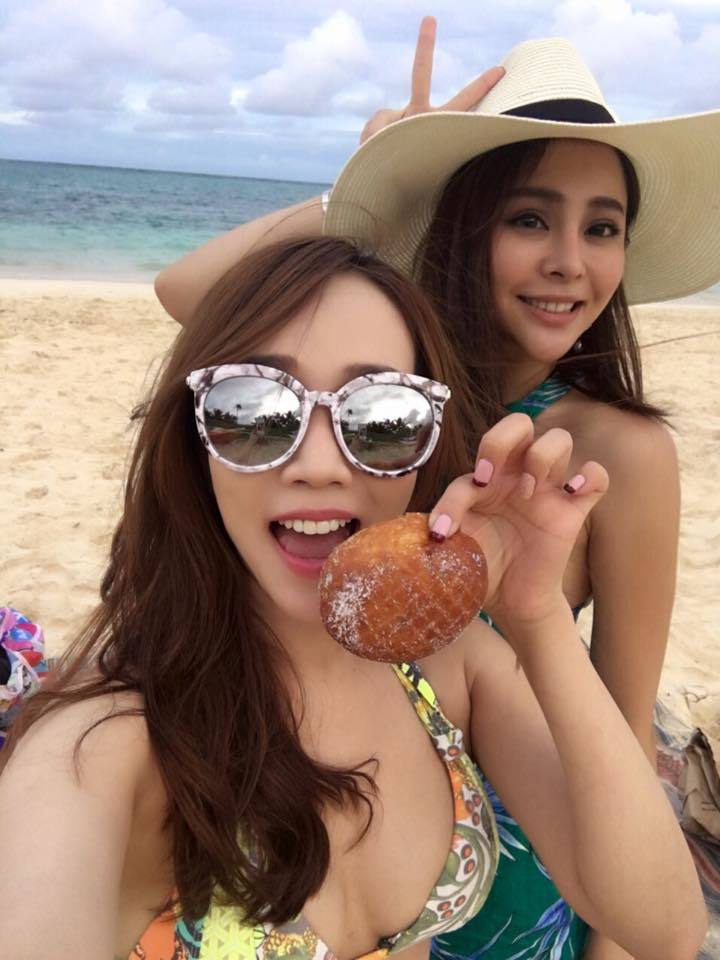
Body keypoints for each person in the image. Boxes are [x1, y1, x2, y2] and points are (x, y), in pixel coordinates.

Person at [153, 20, 720, 959]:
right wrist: (367, 189)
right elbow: (189, 294)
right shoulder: (384, 401)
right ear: (465, 226)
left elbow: (623, 715)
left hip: (534, 849)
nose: (569, 261)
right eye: (530, 218)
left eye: (602, 228)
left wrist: (609, 946)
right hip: (355, 820)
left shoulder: (619, 450)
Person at [0, 237, 706, 960]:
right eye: (254, 410)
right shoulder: (110, 738)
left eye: (380, 419)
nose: (318, 466)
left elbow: (664, 929)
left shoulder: (448, 666)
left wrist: (539, 614)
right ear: (195, 437)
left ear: (428, 445)